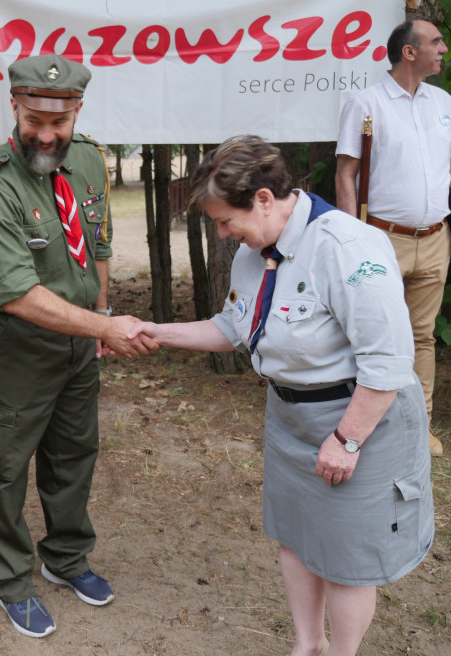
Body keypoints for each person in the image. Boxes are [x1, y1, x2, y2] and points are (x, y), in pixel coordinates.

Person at [129, 136, 434, 656]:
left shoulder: (346, 248)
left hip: (360, 420)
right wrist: (153, 331)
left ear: (266, 198)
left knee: (346, 557)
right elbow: (233, 326)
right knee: (294, 537)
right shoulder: (255, 253)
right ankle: (306, 645)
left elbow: (386, 364)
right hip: (290, 419)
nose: (223, 234)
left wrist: (347, 440)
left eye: (227, 221)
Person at [0, 53, 158, 638]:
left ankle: (66, 558)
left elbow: (97, 245)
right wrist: (107, 328)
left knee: (74, 453)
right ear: (16, 108)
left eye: (59, 123)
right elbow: (17, 293)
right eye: (34, 122)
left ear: (76, 111)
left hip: (80, 344)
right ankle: (10, 579)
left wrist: (99, 314)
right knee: (4, 465)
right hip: (20, 350)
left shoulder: (90, 162)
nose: (46, 136)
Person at [335, 20, 451, 456]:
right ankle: (368, 425)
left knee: (422, 336)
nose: (443, 49)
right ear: (409, 53)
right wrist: (352, 239)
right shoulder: (365, 103)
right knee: (374, 335)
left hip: (434, 238)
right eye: (436, 43)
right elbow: (347, 174)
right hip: (381, 240)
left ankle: (419, 427)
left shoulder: (443, 102)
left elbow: (450, 172)